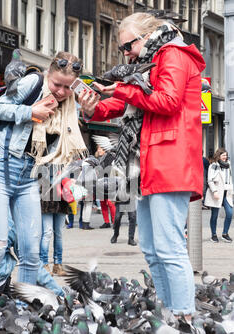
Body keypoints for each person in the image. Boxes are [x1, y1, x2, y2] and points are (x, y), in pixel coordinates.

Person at [78, 12, 206, 317]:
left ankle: (185, 316)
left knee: (169, 247)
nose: (126, 53)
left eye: (128, 46)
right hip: (153, 162)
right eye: (122, 49)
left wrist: (120, 89)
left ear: (147, 36)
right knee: (152, 247)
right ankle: (167, 313)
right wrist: (92, 108)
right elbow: (129, 103)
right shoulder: (149, 63)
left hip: (170, 161)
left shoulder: (173, 54)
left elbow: (167, 101)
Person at [0, 52, 87, 303]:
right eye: (56, 84)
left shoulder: (70, 104)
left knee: (31, 252)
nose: (60, 91)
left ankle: (22, 310)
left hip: (29, 175)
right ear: (48, 75)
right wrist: (30, 111)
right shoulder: (33, 82)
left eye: (67, 87)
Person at [204, 148, 233, 243]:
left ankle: (225, 234)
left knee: (229, 213)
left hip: (226, 193)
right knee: (214, 215)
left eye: (226, 155)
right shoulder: (213, 165)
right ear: (219, 156)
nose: (225, 157)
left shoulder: (228, 165)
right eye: (223, 155)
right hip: (217, 193)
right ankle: (214, 235)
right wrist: (214, 191)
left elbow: (230, 179)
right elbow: (210, 180)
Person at [95, 145, 116, 229]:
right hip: (100, 182)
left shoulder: (110, 157)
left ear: (105, 150)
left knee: (110, 203)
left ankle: (114, 222)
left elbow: (110, 169)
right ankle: (106, 222)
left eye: (100, 148)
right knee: (103, 203)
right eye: (98, 149)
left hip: (109, 182)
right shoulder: (98, 159)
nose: (99, 150)